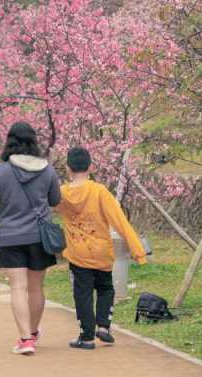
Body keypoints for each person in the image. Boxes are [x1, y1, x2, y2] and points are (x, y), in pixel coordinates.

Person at [0, 121, 61, 356]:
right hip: (39, 236)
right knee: (36, 287)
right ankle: (33, 332)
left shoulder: (0, 171)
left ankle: (25, 339)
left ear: (10, 141)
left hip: (11, 234)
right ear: (33, 141)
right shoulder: (47, 170)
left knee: (18, 287)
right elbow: (55, 199)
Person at [57, 146, 148, 349]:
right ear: (90, 166)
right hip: (102, 252)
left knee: (83, 294)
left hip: (77, 253)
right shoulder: (99, 191)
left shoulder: (62, 193)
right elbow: (120, 221)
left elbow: (48, 205)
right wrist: (138, 251)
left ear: (68, 169)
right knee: (106, 289)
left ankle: (86, 336)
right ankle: (104, 327)